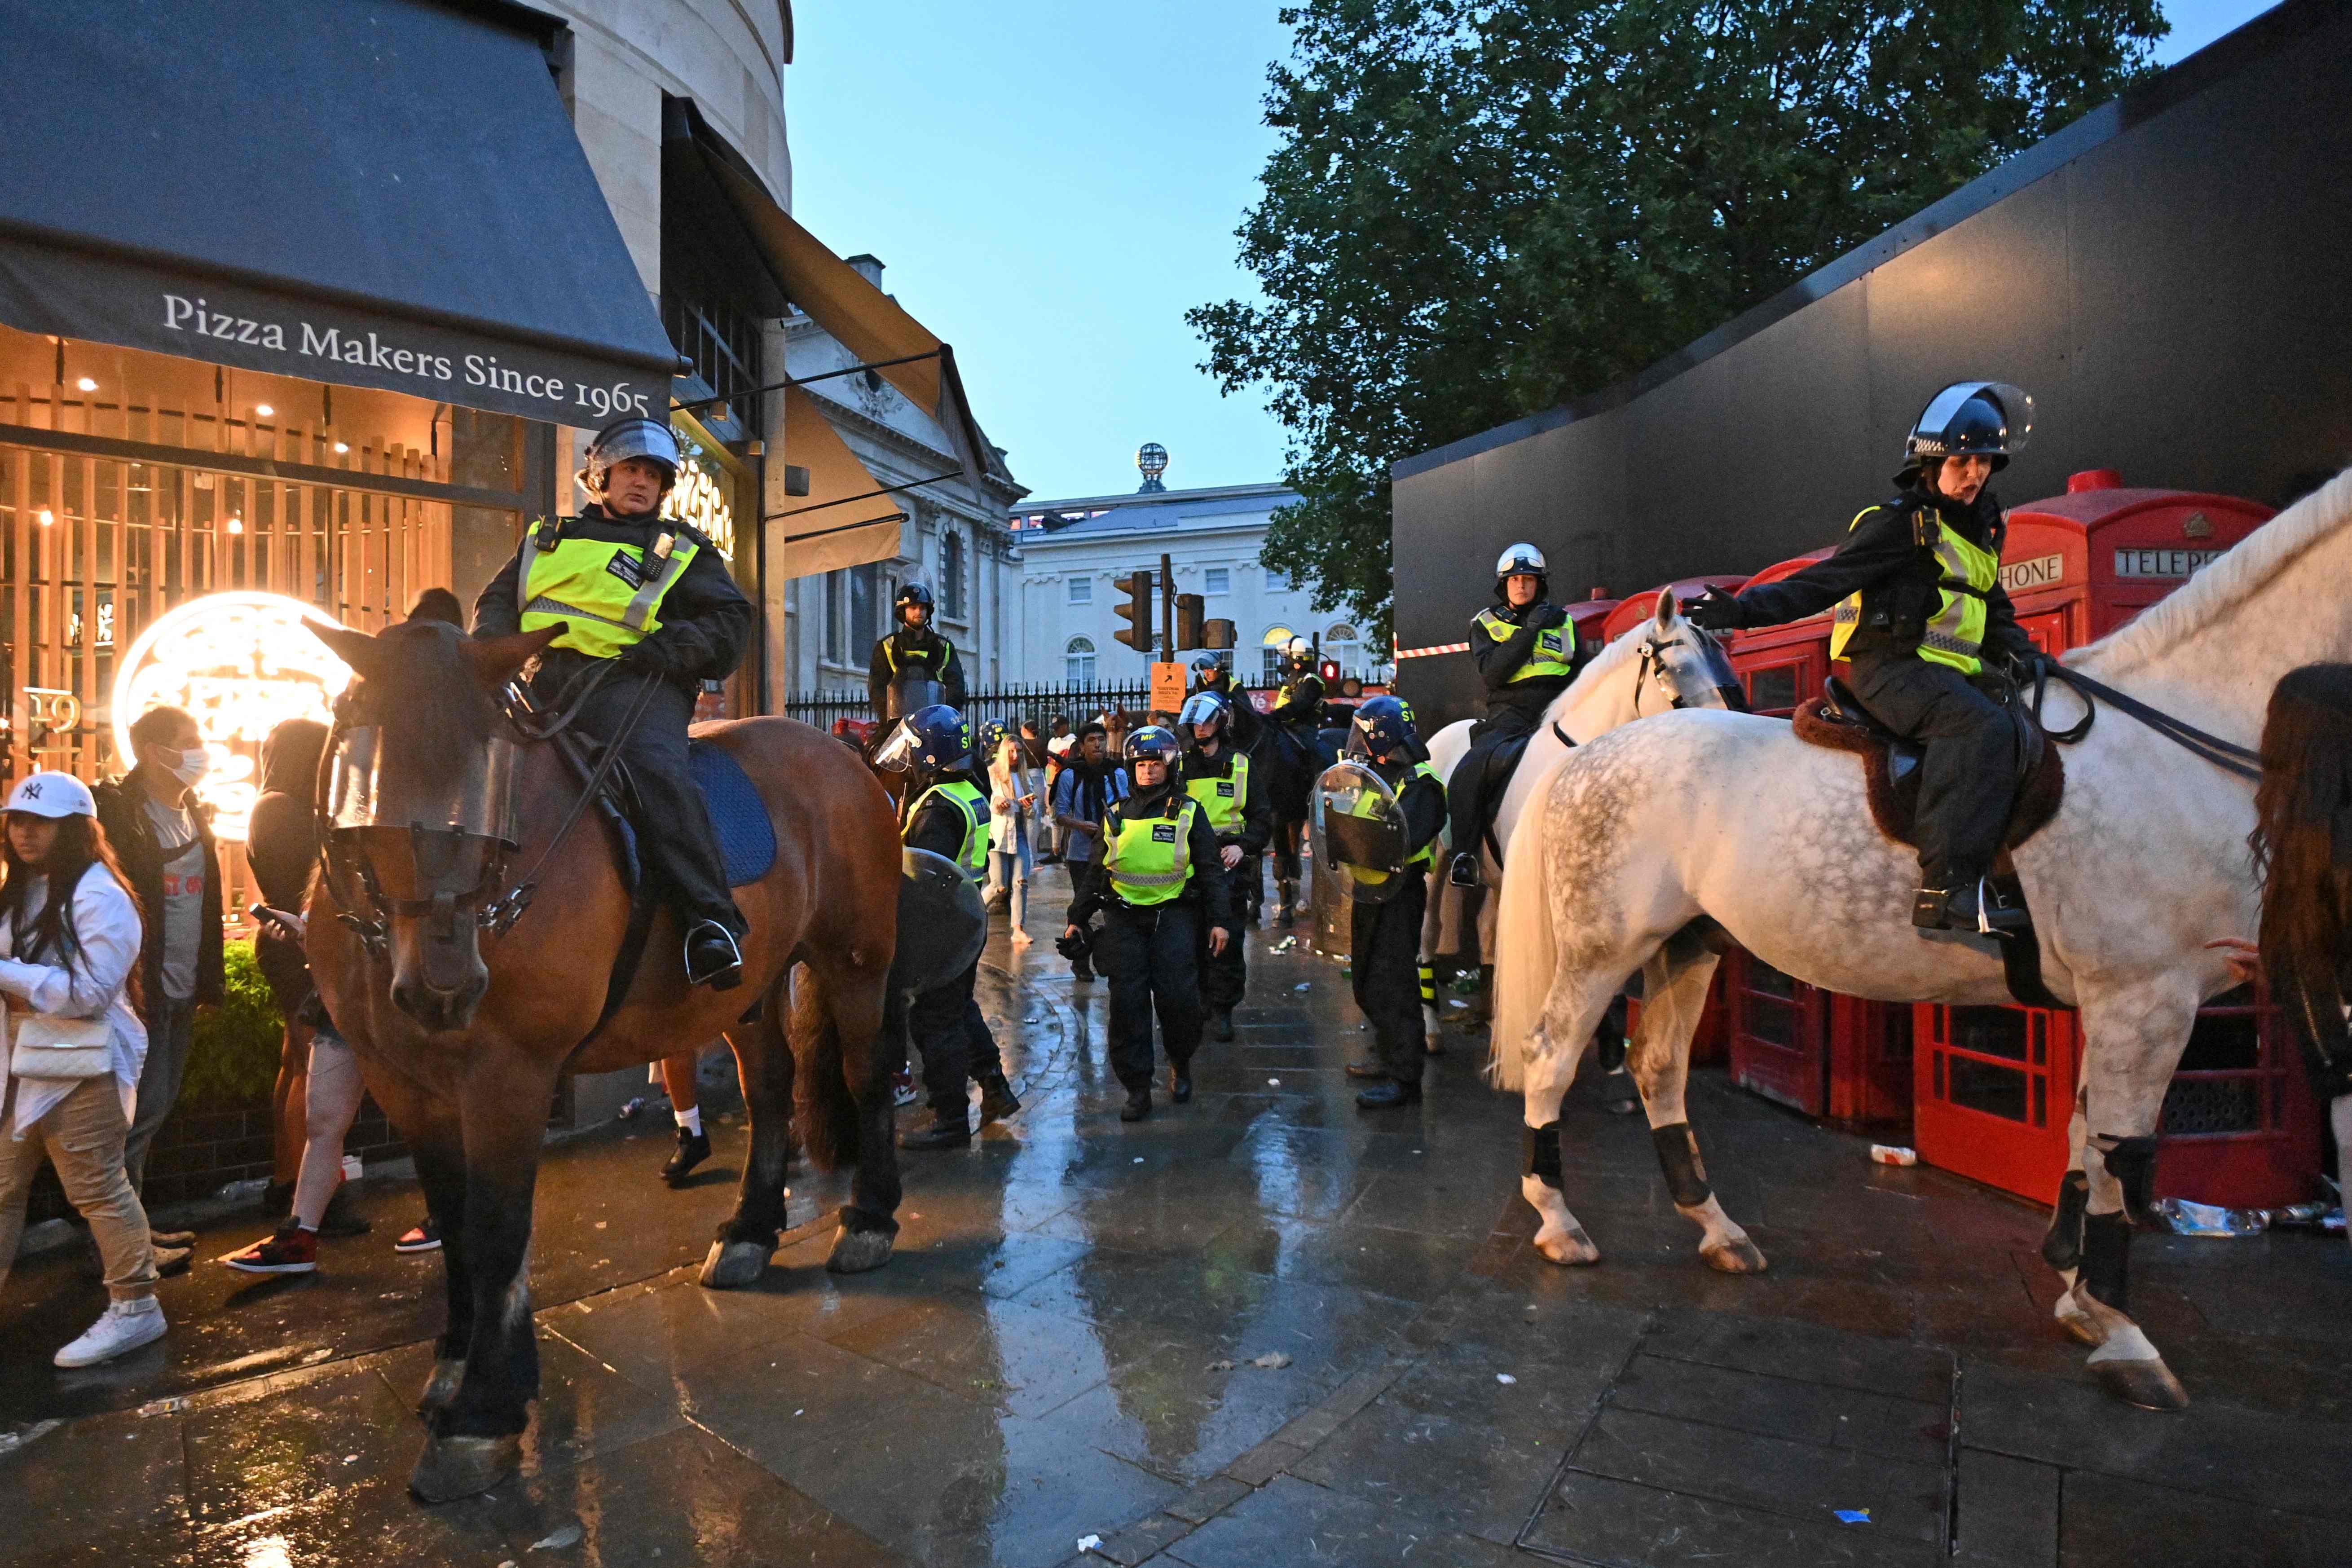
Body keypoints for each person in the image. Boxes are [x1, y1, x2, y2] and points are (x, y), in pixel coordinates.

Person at [1687, 381, 2040, 931]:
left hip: (1959, 673)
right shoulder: (1898, 523)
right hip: (1891, 671)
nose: (1975, 474)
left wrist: (2036, 663)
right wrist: (1742, 611)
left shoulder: (1981, 528)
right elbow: (1822, 583)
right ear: (1931, 461)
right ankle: (1945, 888)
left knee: (2030, 729)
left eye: (1986, 462)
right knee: (1980, 729)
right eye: (1963, 460)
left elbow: (1994, 611)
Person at [471, 414, 751, 988]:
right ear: (599, 475)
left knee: (657, 773)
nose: (643, 482)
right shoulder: (545, 540)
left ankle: (711, 923)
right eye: (631, 469)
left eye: (654, 474)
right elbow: (496, 607)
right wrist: (489, 659)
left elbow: (730, 621)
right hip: (540, 685)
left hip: (636, 685)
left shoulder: (682, 550)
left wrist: (671, 649)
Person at [0, 772, 174, 1364]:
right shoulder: (25, 885)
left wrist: (8, 976)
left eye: (40, 822)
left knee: (98, 1188)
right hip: (22, 1058)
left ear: (74, 828)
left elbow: (90, 993)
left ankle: (136, 1307)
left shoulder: (100, 893)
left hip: (82, 1062)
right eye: (18, 820)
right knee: (3, 1187)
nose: (24, 832)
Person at [220, 719, 370, 1273]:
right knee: (312, 1073)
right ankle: (308, 1199)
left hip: (290, 941)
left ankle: (290, 1187)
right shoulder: (288, 809)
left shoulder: (269, 804)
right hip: (302, 942)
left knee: (297, 1065)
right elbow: (313, 883)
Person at [94, 704, 220, 1263]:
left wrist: (206, 983)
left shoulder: (195, 813)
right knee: (131, 1117)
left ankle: (132, 1230)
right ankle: (120, 1247)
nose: (200, 750)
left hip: (180, 989)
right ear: (153, 752)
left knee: (153, 1110)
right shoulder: (119, 815)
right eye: (188, 740)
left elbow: (206, 909)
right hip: (137, 993)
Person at [1062, 726, 1235, 1122]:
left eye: (1156, 763)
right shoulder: (1116, 814)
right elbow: (1095, 872)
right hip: (1123, 920)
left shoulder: (1189, 811)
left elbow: (1209, 870)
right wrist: (1077, 919)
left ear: (1169, 766)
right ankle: (1137, 1088)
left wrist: (1220, 922)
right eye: (1141, 764)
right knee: (1127, 1007)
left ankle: (1180, 1062)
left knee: (1178, 1001)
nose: (1148, 771)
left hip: (1173, 918)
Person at [881, 705, 1021, 1150]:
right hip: (963, 918)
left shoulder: (938, 808)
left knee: (934, 1020)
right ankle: (995, 1087)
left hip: (938, 926)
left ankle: (951, 1120)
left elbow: (920, 874)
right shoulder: (967, 790)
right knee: (960, 1009)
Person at [1329, 699, 1449, 1108]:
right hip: (1367, 890)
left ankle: (1406, 1079)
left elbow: (1403, 839)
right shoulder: (1371, 774)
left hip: (1399, 892)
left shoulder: (1421, 782)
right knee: (1365, 981)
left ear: (1381, 734)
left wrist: (1357, 838)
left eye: (1363, 733)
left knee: (1395, 985)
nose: (1357, 742)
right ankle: (1389, 1053)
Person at [1446, 544, 1579, 889]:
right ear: (1503, 585)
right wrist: (1531, 629)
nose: (1521, 586)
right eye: (1514, 580)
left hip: (1560, 710)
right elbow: (1494, 674)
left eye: (1529, 579)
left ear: (1540, 584)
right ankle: (1464, 855)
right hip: (1510, 713)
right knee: (1470, 770)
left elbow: (1580, 672)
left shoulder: (1564, 621)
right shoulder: (1485, 623)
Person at [1177, 691, 1270, 1041]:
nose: (1201, 728)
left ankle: (1223, 1009)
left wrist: (1241, 846)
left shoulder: (1243, 764)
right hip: (1189, 864)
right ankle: (1199, 1003)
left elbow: (1261, 819)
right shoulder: (1182, 766)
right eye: (1196, 722)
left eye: (1207, 721)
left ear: (1221, 723)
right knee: (1190, 940)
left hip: (1229, 864)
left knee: (1227, 941)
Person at [1053, 723, 1129, 983]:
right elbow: (1059, 814)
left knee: (1114, 908)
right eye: (1092, 740)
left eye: (1101, 740)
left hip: (1114, 850)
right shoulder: (1070, 775)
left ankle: (1115, 960)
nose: (1098, 745)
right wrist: (1079, 824)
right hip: (1082, 852)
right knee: (1083, 906)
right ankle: (1081, 961)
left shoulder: (1117, 773)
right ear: (1082, 746)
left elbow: (1128, 806)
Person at [868, 582, 968, 722]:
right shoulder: (886, 647)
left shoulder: (944, 647)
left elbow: (956, 688)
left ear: (928, 611)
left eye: (922, 608)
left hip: (935, 723)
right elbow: (877, 689)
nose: (918, 612)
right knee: (875, 745)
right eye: (913, 608)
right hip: (895, 724)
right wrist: (891, 717)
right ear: (903, 611)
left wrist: (941, 716)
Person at [987, 731, 1037, 948]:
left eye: (1019, 751)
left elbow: (1034, 812)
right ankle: (971, 912)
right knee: (999, 885)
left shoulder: (1025, 778)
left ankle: (1018, 929)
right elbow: (989, 799)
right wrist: (998, 802)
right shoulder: (993, 773)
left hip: (1020, 834)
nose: (1016, 756)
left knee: (1021, 882)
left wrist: (1028, 807)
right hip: (998, 837)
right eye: (1011, 752)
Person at [1191, 653, 1263, 752]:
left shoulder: (1234, 686)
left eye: (1210, 671)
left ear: (1219, 669)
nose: (1207, 675)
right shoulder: (1201, 685)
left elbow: (1246, 714)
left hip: (1230, 735)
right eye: (1205, 671)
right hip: (1205, 730)